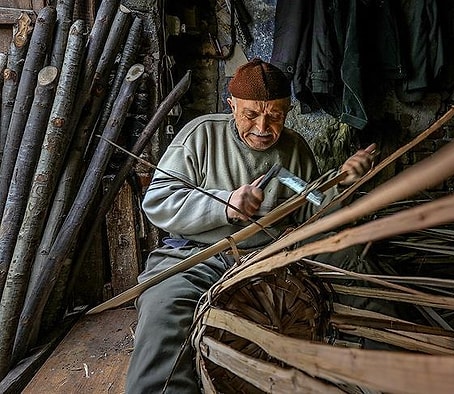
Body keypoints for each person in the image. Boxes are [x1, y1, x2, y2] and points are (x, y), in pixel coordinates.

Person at [125, 58, 376, 393]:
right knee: (163, 307)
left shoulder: (294, 148)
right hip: (201, 255)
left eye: (275, 115)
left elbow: (311, 209)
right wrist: (224, 204)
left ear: (287, 110)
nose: (263, 126)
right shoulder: (202, 135)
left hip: (275, 253)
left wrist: (343, 182)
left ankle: (387, 372)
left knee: (358, 268)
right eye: (251, 114)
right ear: (232, 106)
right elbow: (158, 200)